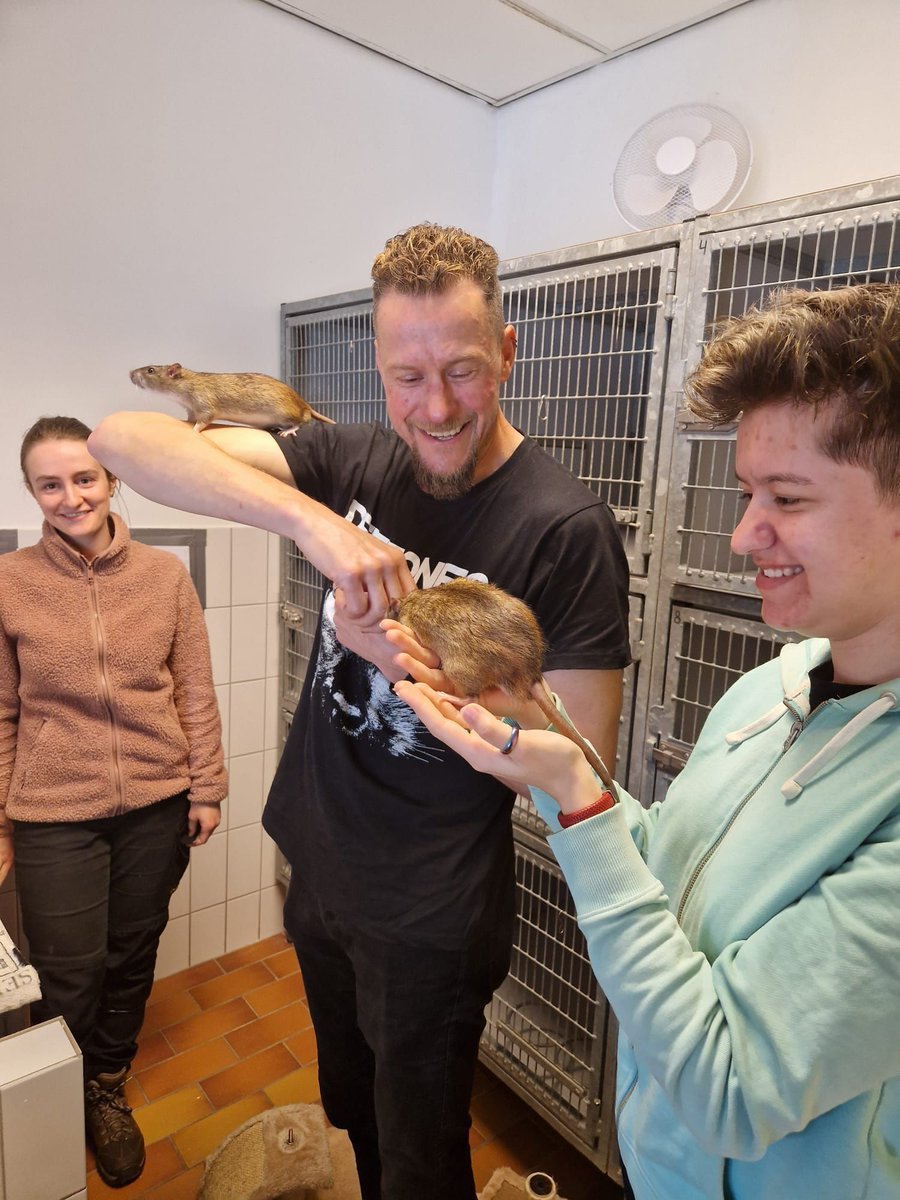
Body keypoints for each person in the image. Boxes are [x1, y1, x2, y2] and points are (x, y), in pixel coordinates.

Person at [88, 222, 632, 1199]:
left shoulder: (564, 527)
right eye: (405, 376)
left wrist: (415, 662)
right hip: (319, 862)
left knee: (422, 1155)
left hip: (428, 912)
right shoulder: (357, 462)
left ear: (506, 352)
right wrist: (314, 523)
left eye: (462, 372)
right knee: (352, 1109)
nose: (433, 407)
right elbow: (120, 442)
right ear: (378, 367)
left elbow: (579, 756)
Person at [395, 282, 900, 1200]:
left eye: (786, 496)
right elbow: (664, 862)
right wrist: (554, 759)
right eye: (748, 491)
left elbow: (732, 1088)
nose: (746, 533)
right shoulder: (770, 686)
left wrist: (582, 805)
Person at [0, 417, 227, 1189]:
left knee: (132, 957)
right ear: (33, 492)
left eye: (85, 478)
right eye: (51, 484)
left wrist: (208, 786)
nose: (72, 497)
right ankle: (59, 1094)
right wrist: (1, 820)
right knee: (66, 972)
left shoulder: (165, 575)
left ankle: (104, 1089)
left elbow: (194, 687)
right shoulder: (9, 583)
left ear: (111, 479)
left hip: (156, 805)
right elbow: (1, 712)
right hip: (51, 813)